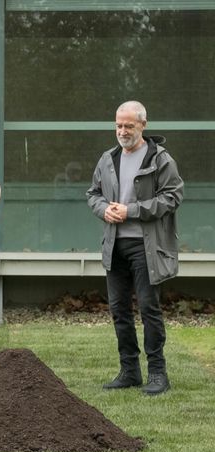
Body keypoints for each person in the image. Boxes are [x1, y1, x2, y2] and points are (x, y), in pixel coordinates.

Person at [86, 100, 184, 396]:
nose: (122, 131)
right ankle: (129, 371)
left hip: (146, 247)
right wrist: (103, 209)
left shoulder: (160, 158)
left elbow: (173, 196)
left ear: (143, 124)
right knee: (118, 310)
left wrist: (131, 210)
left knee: (148, 308)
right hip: (114, 245)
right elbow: (92, 194)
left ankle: (158, 373)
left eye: (129, 125)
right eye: (118, 125)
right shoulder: (108, 158)